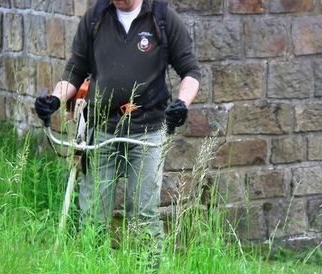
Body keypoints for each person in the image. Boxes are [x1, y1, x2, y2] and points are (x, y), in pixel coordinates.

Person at [34, 0, 201, 251]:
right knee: (92, 215)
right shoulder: (95, 19)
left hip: (147, 131)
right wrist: (55, 100)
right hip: (102, 129)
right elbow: (75, 70)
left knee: (143, 214)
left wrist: (182, 103)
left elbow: (190, 71)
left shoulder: (161, 18)